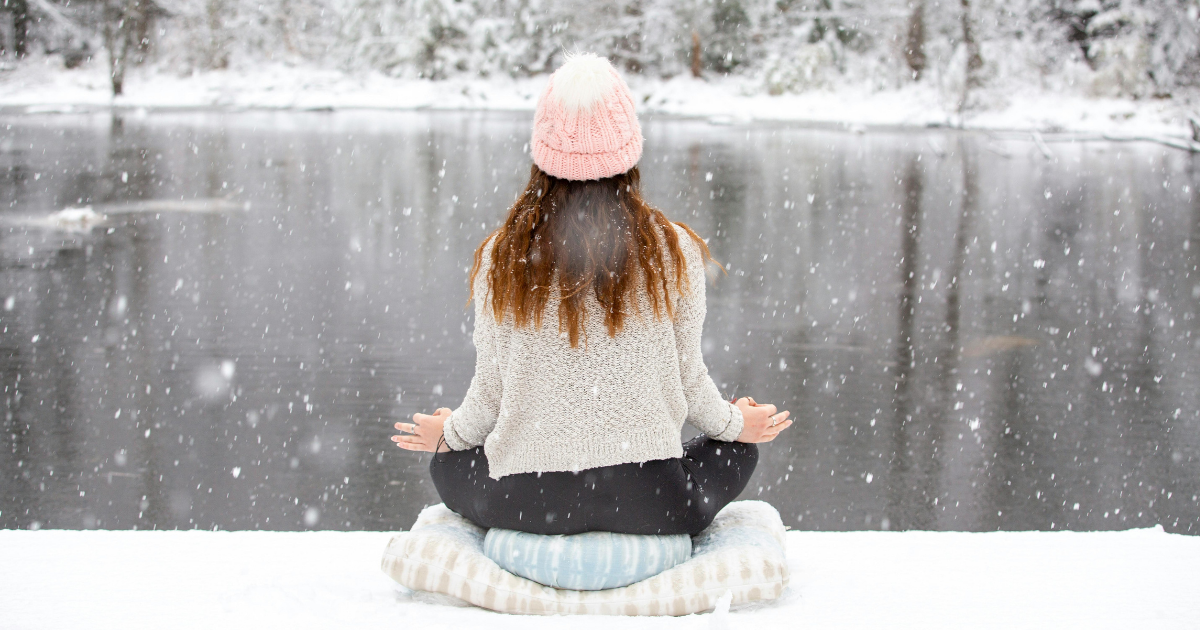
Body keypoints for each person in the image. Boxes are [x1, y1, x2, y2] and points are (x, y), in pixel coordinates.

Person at [391, 53, 792, 537]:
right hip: (654, 506)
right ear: (629, 151)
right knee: (736, 449)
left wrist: (448, 436)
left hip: (526, 504)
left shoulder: (502, 255)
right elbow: (689, 382)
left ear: (543, 153)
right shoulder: (674, 249)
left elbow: (490, 394)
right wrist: (736, 425)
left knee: (447, 465)